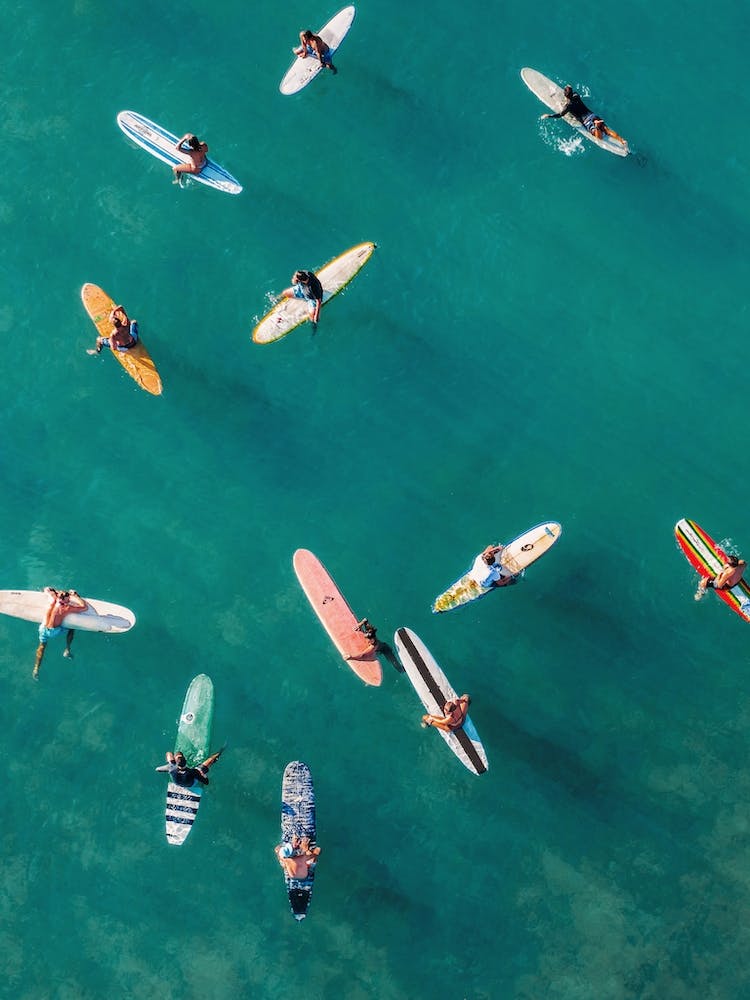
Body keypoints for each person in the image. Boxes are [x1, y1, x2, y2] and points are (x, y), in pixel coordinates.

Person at [541, 85, 627, 147]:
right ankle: (622, 140)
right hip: (592, 115)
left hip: (586, 121)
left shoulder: (568, 106)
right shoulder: (576, 95)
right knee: (606, 130)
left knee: (599, 137)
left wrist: (549, 115)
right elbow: (571, 94)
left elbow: (560, 115)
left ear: (565, 95)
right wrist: (569, 88)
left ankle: (596, 126)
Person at [33, 587, 88, 679]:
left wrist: (55, 592)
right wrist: (76, 596)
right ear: (65, 600)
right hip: (53, 631)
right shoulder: (66, 608)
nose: (69, 600)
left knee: (42, 646)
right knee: (72, 628)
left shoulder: (53, 600)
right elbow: (84, 607)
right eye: (68, 599)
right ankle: (67, 650)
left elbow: (46, 589)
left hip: (43, 628)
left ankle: (36, 669)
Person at [155, 748, 223, 787]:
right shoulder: (193, 772)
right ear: (186, 761)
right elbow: (206, 782)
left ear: (176, 762)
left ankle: (171, 758)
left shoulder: (170, 767)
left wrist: (169, 765)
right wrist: (203, 774)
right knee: (209, 761)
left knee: (169, 753)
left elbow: (157, 769)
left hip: (177, 783)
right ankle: (221, 751)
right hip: (190, 785)